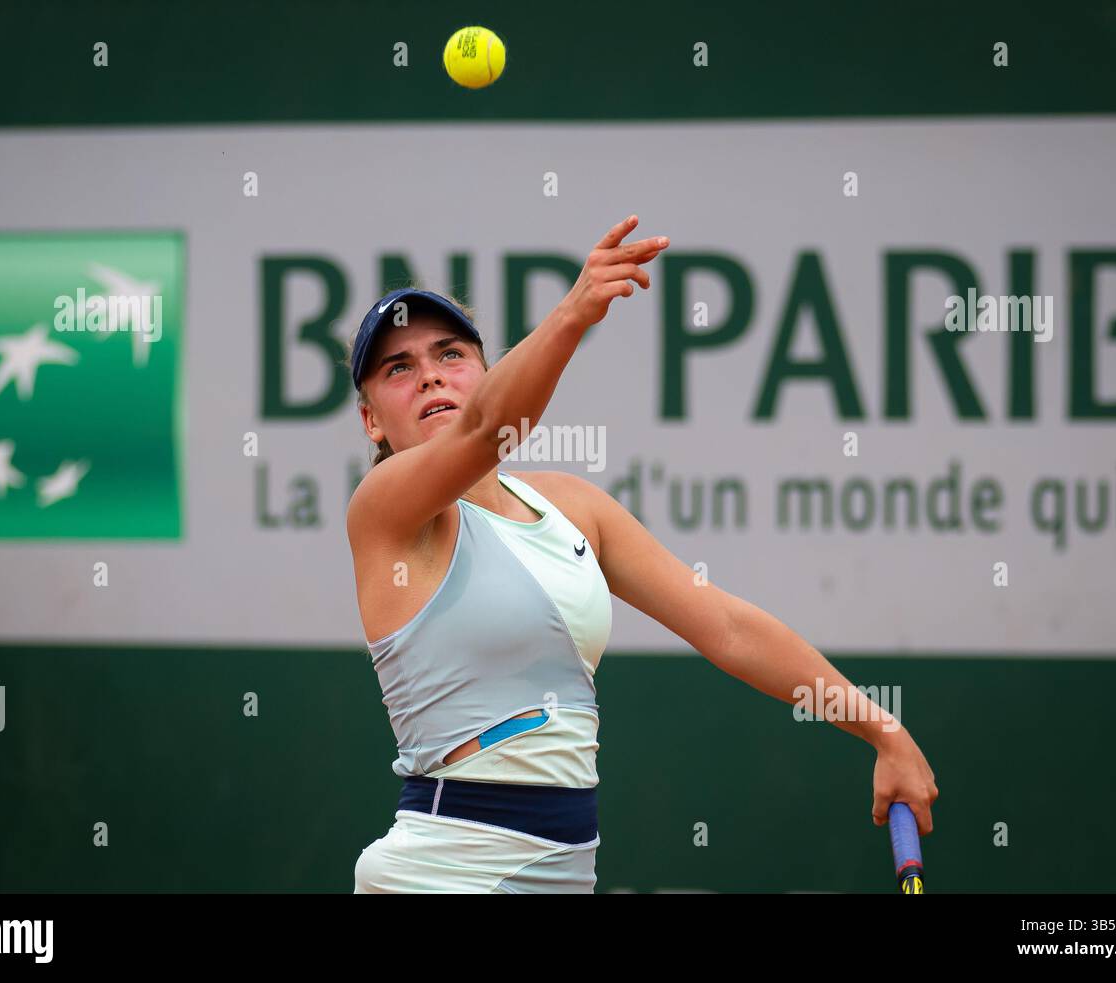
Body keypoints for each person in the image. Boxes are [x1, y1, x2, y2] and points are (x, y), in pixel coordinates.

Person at [346, 215, 938, 893]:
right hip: (438, 876)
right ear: (370, 419)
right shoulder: (383, 511)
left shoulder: (574, 506)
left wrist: (881, 729)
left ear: (486, 370)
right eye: (399, 368)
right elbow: (485, 432)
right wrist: (573, 313)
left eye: (450, 354)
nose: (429, 376)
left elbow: (728, 627)